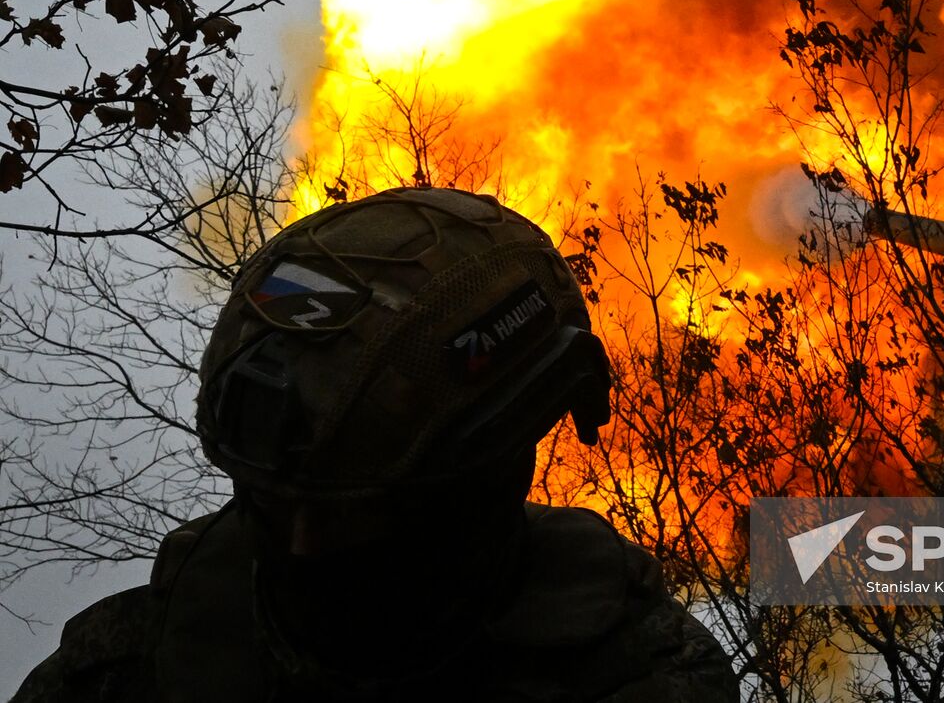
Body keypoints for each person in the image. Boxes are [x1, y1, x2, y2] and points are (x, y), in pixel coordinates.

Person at [13, 187, 740, 702]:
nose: (303, 545)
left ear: (488, 482)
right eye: (272, 501)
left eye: (352, 512)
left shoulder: (638, 674)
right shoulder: (133, 665)